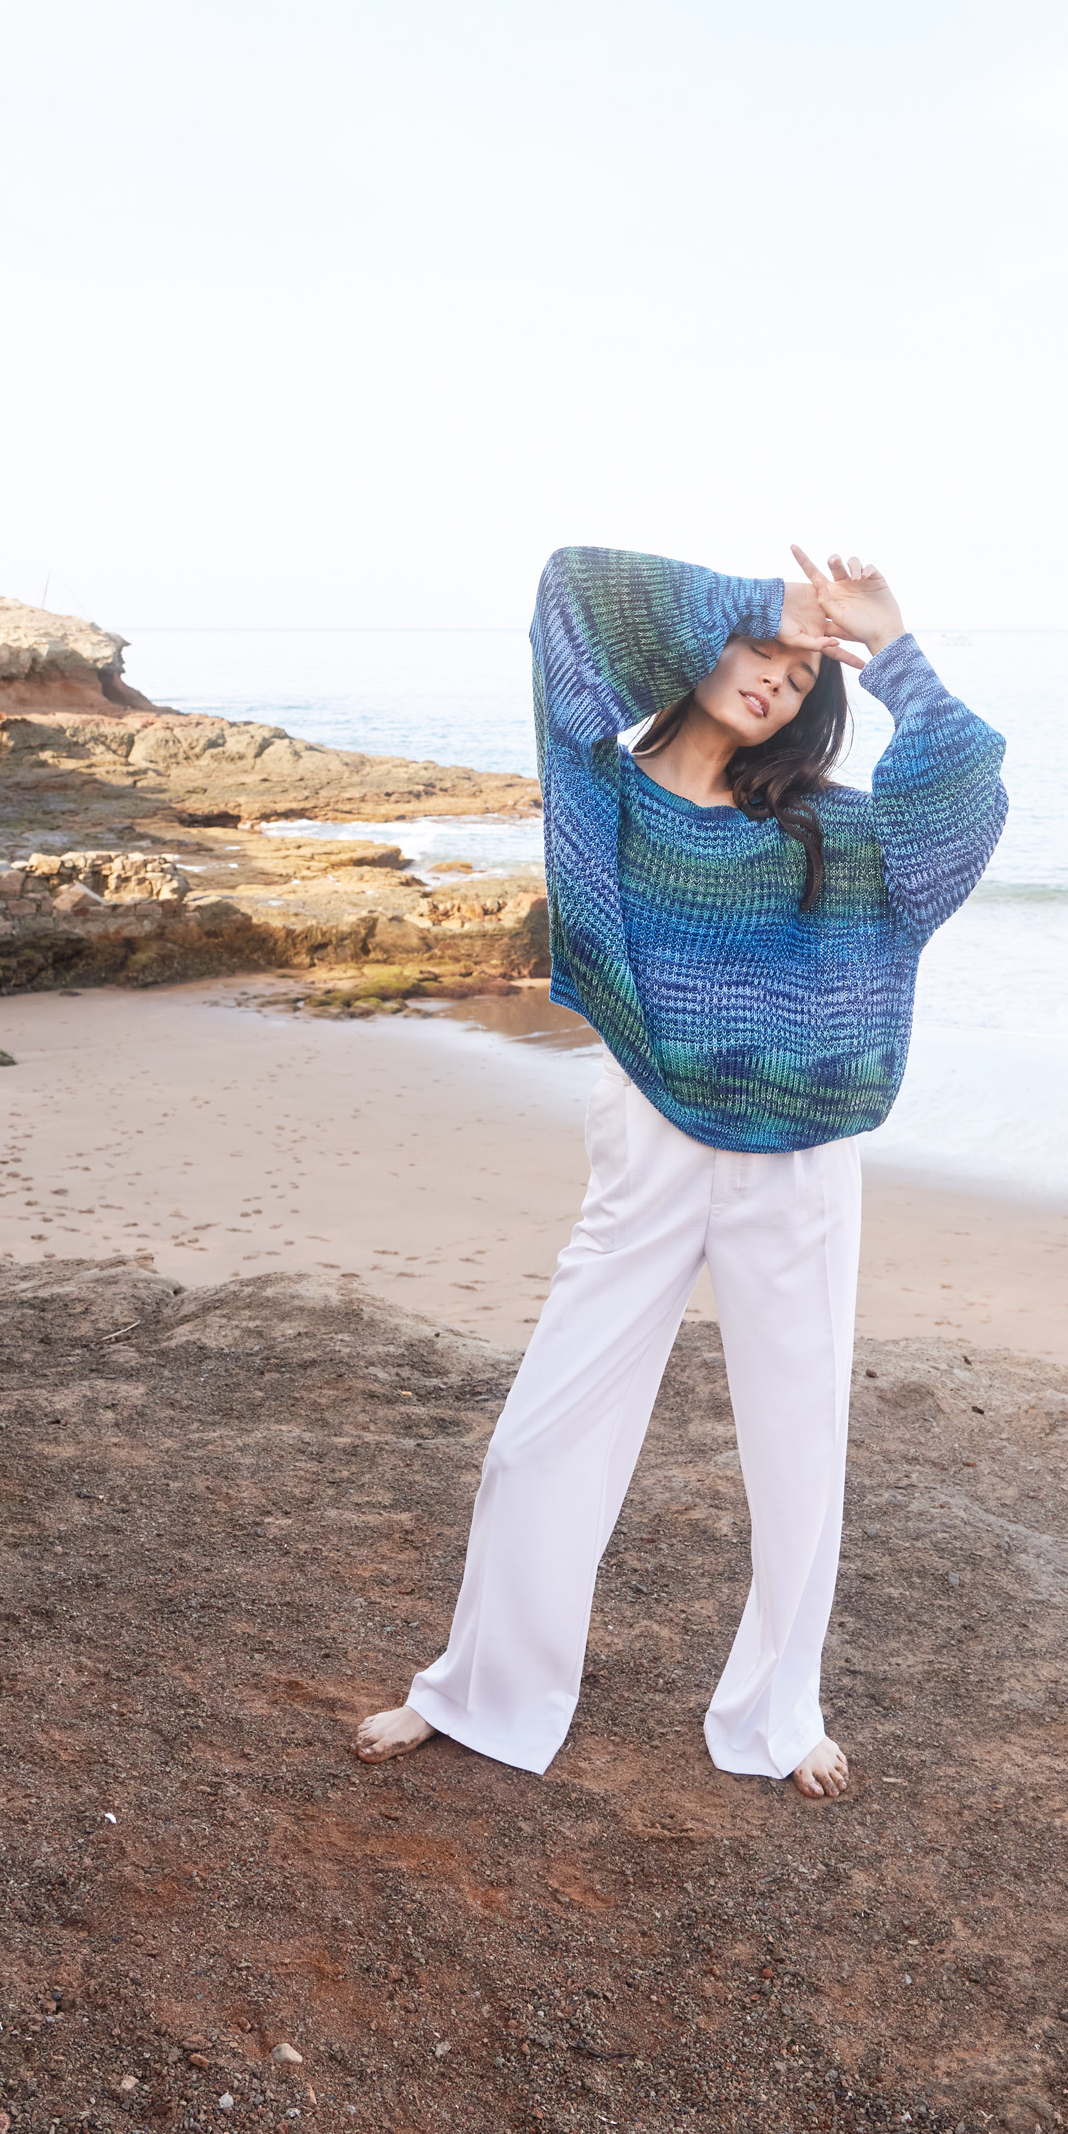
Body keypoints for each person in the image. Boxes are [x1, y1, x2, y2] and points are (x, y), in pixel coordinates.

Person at [353, 541, 1007, 1796]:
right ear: (709, 644)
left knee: (799, 1447)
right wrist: (775, 604)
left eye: (799, 675)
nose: (776, 681)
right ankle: (482, 1693)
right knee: (544, 1436)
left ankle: (780, 1716)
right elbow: (570, 595)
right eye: (761, 654)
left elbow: (965, 801)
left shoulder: (832, 826)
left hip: (800, 1160)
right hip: (649, 1141)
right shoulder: (601, 789)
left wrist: (890, 646)